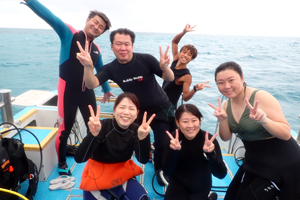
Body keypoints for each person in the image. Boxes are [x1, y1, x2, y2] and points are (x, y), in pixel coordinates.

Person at [22, 0, 114, 175]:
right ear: (87, 20)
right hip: (68, 93)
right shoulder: (69, 34)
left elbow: (101, 70)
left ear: (102, 32)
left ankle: (94, 156)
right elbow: (51, 18)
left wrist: (106, 89)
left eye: (101, 26)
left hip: (88, 93)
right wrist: (31, 2)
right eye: (95, 22)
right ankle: (62, 163)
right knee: (65, 130)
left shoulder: (96, 49)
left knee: (93, 127)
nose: (96, 27)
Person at [76, 28, 176, 185]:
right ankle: (155, 166)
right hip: (137, 112)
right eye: (118, 44)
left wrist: (164, 67)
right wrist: (88, 66)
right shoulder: (110, 68)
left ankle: (163, 170)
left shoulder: (146, 59)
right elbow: (91, 84)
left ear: (132, 46)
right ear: (111, 46)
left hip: (160, 108)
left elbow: (170, 77)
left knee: (163, 142)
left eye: (127, 44)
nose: (123, 48)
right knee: (138, 141)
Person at [208, 61, 300, 200]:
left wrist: (263, 120)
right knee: (231, 195)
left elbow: (286, 133)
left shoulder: (260, 97)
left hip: (282, 162)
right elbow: (225, 137)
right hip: (254, 161)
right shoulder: (227, 104)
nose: (226, 86)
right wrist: (223, 120)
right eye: (220, 82)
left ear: (242, 78)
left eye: (231, 80)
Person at [74, 92, 154, 200]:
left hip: (122, 174)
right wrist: (93, 135)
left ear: (137, 113)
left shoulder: (138, 131)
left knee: (143, 198)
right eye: (122, 107)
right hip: (97, 175)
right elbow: (79, 158)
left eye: (131, 108)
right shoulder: (102, 127)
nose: (126, 112)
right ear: (114, 110)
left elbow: (143, 160)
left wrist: (142, 139)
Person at [162, 104, 227, 200]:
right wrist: (174, 151)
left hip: (201, 186)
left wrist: (210, 154)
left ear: (200, 121)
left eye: (194, 120)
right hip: (178, 183)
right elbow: (167, 171)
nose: (190, 126)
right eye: (185, 121)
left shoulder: (208, 140)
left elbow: (221, 174)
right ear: (177, 123)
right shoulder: (173, 139)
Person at [162, 24, 210, 108]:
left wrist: (195, 89)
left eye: (189, 55)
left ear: (191, 59)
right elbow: (174, 42)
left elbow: (185, 98)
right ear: (180, 53)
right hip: (159, 100)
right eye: (184, 52)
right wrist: (183, 32)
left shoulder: (187, 76)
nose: (185, 55)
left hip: (168, 107)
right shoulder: (176, 59)